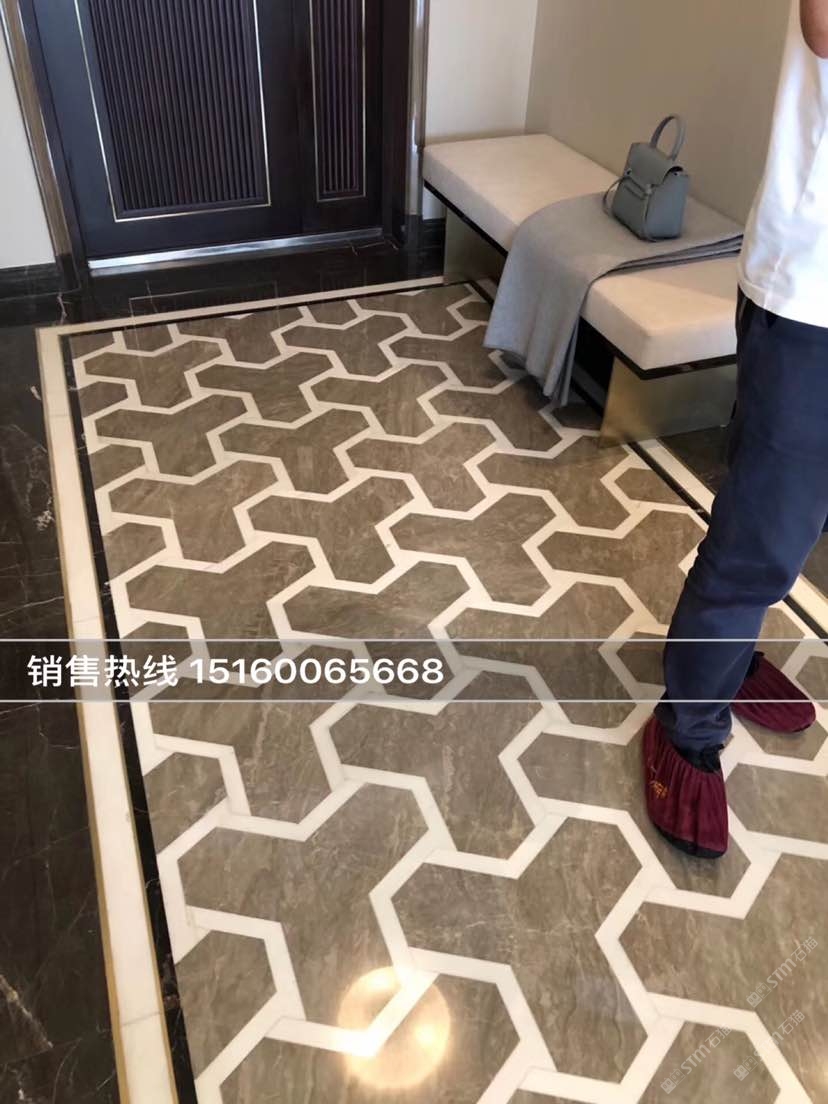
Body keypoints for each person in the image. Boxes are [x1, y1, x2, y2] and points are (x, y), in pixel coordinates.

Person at [644, 0, 828, 859]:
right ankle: (687, 725)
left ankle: (730, 650)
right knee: (762, 533)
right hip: (815, 295)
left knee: (799, 521)